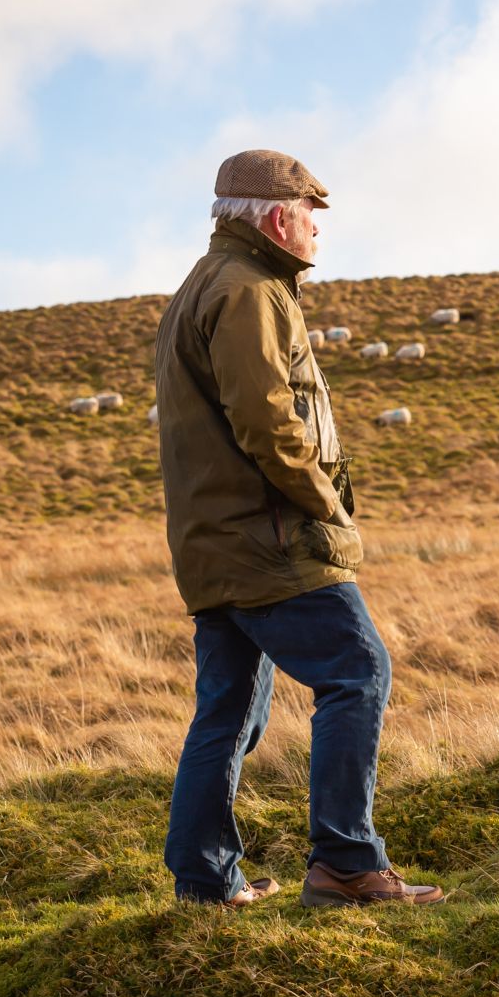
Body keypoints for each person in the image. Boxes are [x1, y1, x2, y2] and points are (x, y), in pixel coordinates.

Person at [153, 149, 442, 909]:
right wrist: (327, 503)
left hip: (220, 548)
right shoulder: (249, 292)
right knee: (359, 670)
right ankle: (347, 864)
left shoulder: (204, 286)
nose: (317, 227)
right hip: (270, 543)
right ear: (278, 218)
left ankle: (206, 880)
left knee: (228, 710)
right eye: (311, 212)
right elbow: (268, 423)